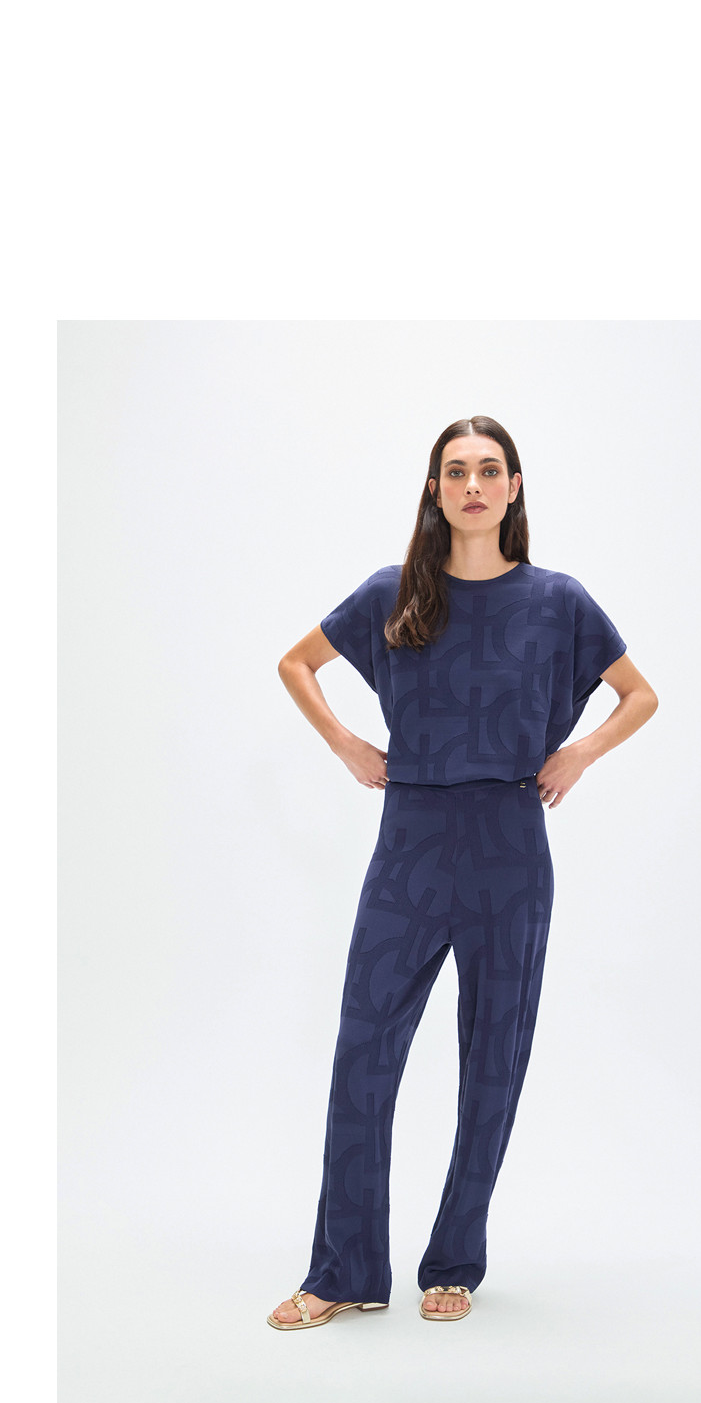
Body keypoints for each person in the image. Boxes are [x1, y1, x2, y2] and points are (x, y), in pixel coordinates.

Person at [268, 416, 658, 1329]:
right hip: (409, 838)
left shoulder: (558, 601)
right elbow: (297, 664)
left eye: (489, 470)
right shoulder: (393, 593)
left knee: (492, 1057)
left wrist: (581, 753)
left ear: (514, 487)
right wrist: (346, 743)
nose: (472, 485)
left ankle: (454, 1261)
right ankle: (344, 1270)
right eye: (455, 471)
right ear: (435, 490)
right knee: (364, 1049)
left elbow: (639, 694)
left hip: (510, 843)